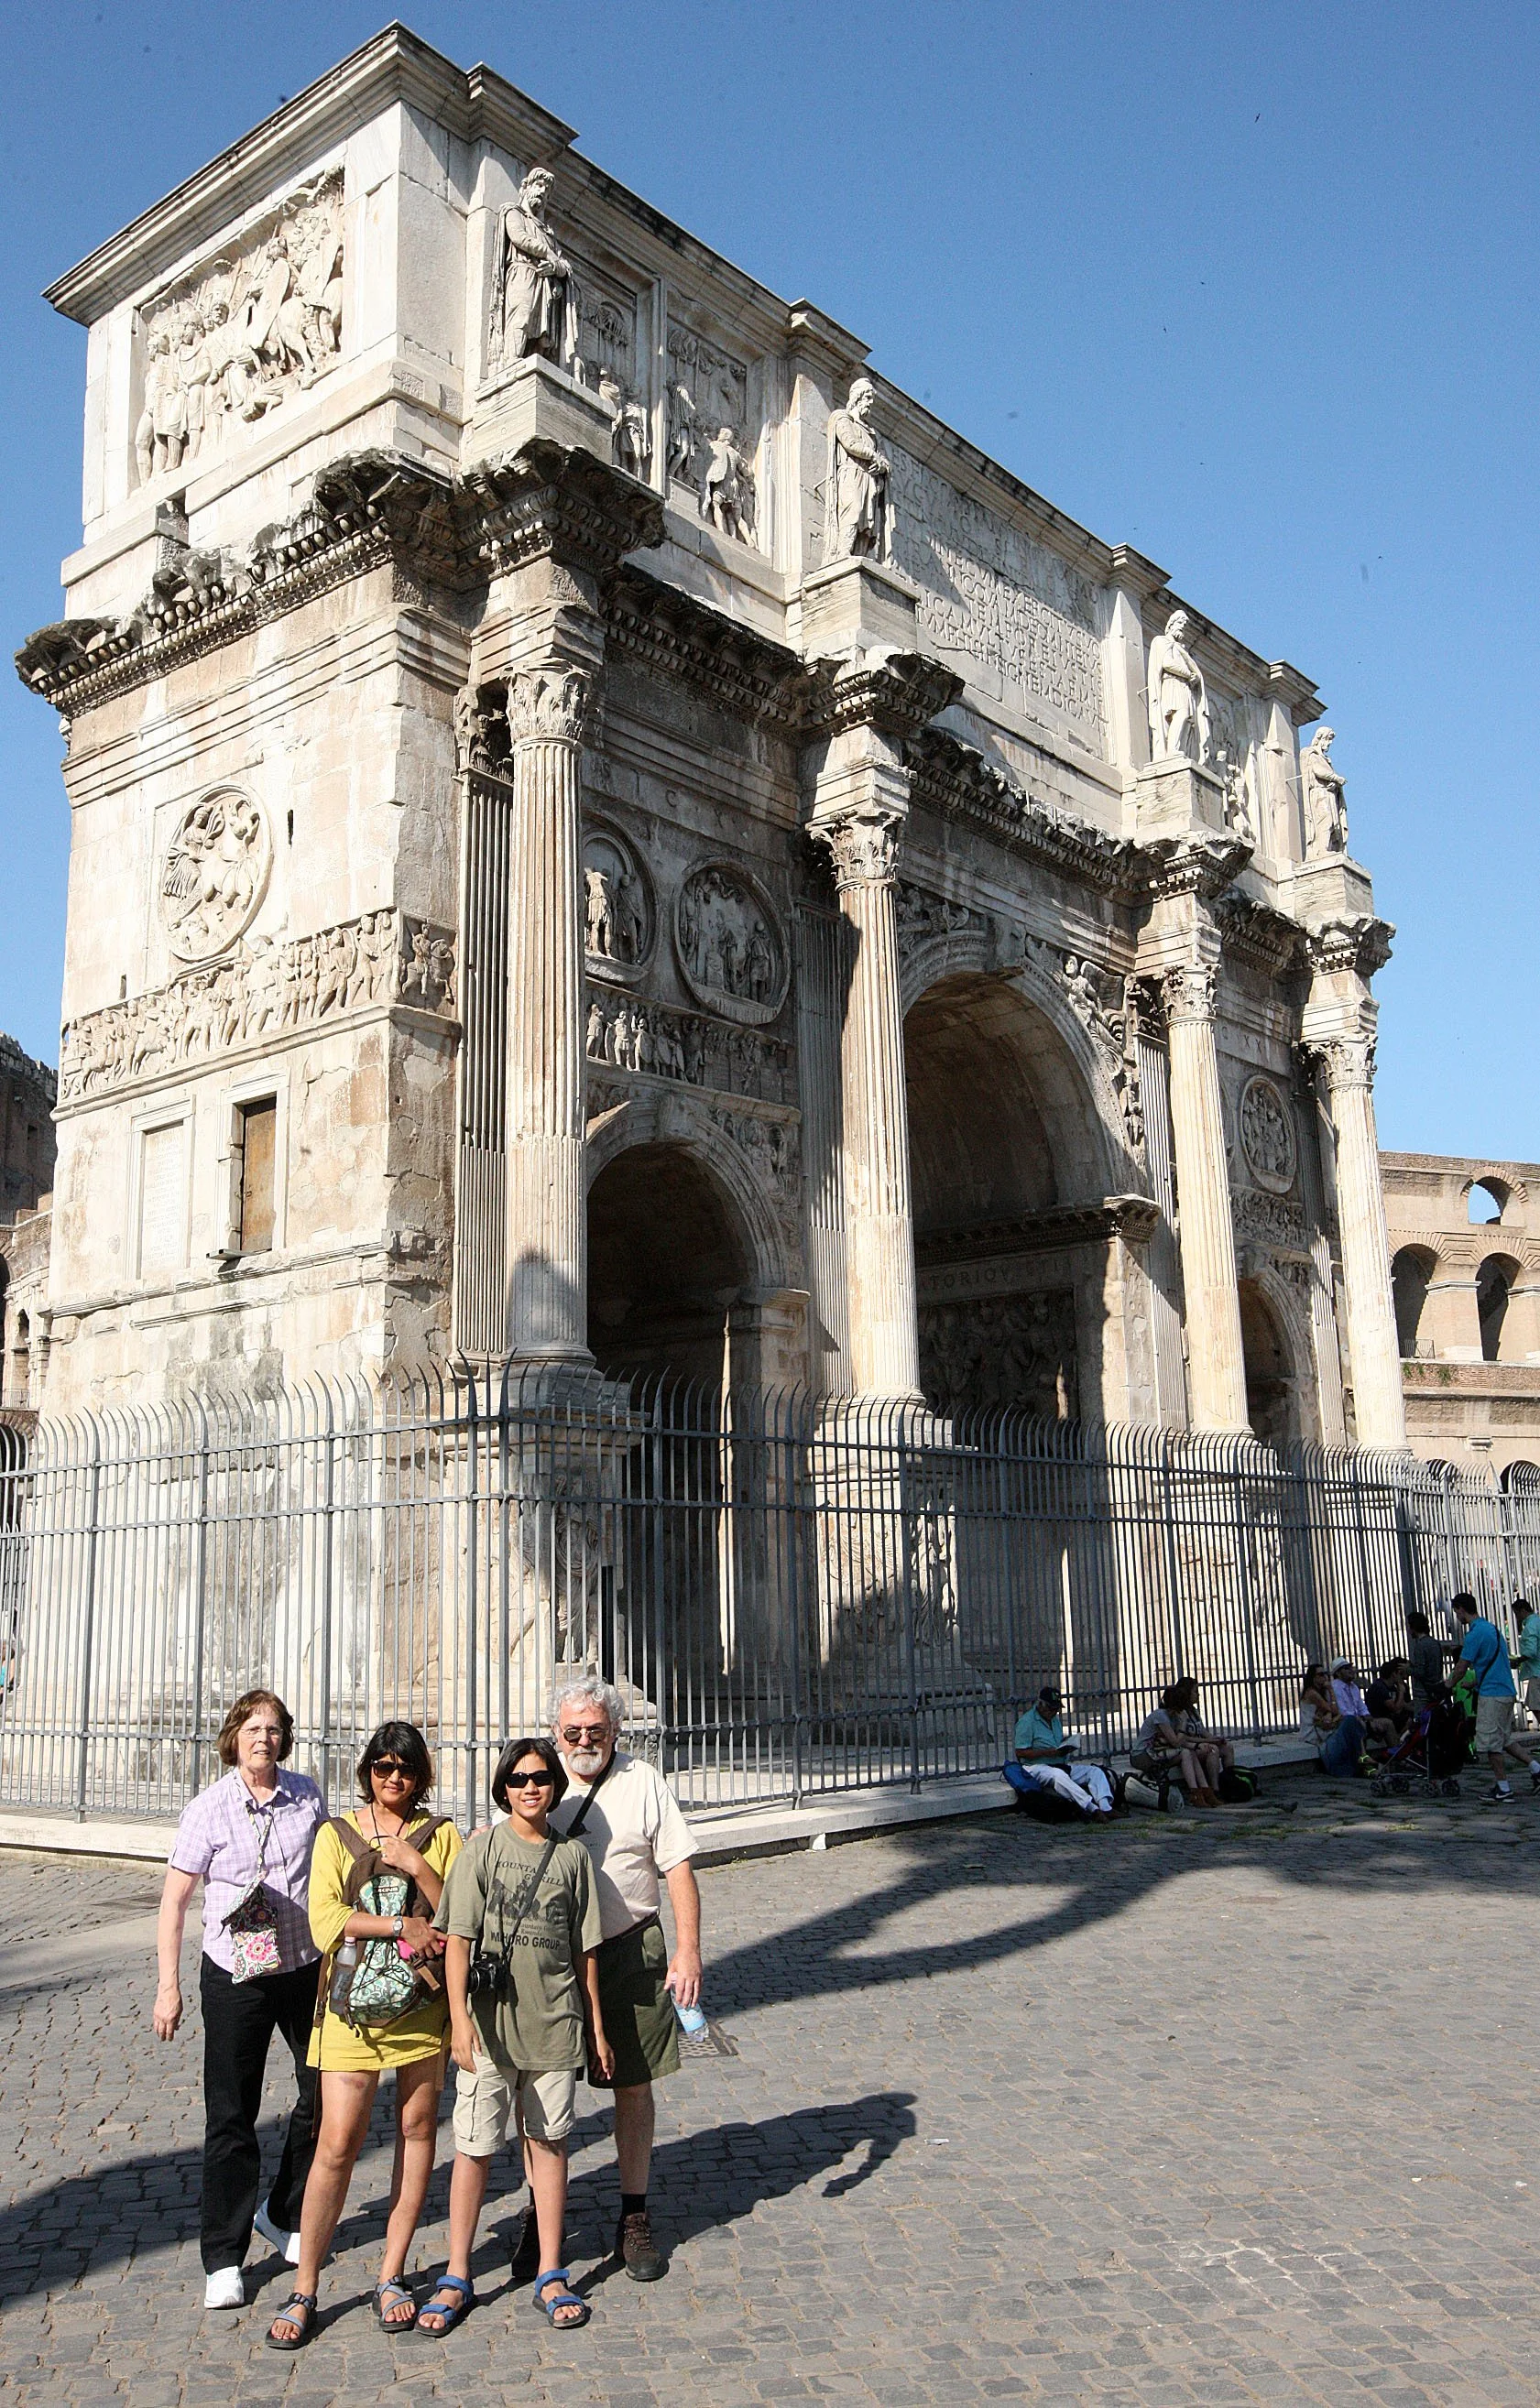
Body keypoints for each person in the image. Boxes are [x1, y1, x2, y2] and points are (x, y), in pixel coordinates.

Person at [266, 1724, 460, 2349]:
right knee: (337, 2142)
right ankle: (306, 2283)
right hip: (348, 2012)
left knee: (416, 2131)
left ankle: (392, 2273)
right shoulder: (335, 1834)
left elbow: (459, 1914)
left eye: (404, 1767)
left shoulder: (442, 1835)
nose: (393, 1777)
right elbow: (325, 1920)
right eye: (382, 1766)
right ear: (366, 1771)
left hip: (421, 2008)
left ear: (421, 1774)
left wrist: (415, 1865)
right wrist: (401, 1921)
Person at [421, 1738, 612, 2336]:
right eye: (519, 1777)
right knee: (474, 2148)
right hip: (488, 2029)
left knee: (549, 2144)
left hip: (555, 2026)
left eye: (540, 1777)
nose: (530, 1787)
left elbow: (585, 1951)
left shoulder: (573, 1859)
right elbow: (455, 1939)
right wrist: (457, 2020)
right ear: (502, 1786)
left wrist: (597, 2028)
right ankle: (456, 2272)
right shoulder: (481, 1851)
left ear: (554, 1785)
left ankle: (551, 2271)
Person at [153, 1690, 327, 2311]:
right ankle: (223, 2257)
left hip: (302, 1965)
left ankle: (282, 2212)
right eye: (255, 1728)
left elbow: (329, 1871)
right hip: (235, 1974)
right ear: (235, 1737)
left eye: (275, 1729)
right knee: (232, 2113)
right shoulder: (208, 1808)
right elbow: (175, 1900)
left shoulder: (307, 1793)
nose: (265, 1738)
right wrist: (168, 1984)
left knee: (324, 2093)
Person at [544, 1676, 701, 2282]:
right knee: (544, 2091)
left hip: (631, 1947)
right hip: (554, 1959)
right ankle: (544, 2213)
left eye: (597, 1731)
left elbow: (678, 1869)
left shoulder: (642, 1781)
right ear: (556, 1733)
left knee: (633, 2088)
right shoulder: (538, 1779)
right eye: (573, 1731)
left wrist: (686, 1953)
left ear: (615, 1731)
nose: (585, 1740)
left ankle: (634, 2213)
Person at [1449, 1593, 1540, 1803]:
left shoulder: (1474, 1634)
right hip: (1505, 1690)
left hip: (1493, 1693)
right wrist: (1475, 1682)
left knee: (1491, 1744)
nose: (1457, 1616)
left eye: (1456, 1612)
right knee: (1504, 1739)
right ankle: (1536, 1768)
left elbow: (1462, 1666)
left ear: (1462, 1609)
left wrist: (1448, 1684)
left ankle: (1503, 1787)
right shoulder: (1492, 1629)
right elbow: (1494, 1662)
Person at [1011, 1684, 1114, 1815]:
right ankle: (1092, 1808)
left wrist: (1066, 1745)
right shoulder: (1027, 1722)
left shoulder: (1054, 1720)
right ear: (1040, 1705)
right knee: (1058, 1775)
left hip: (1058, 1763)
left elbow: (1056, 1741)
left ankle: (1106, 1807)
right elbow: (1020, 1752)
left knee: (1094, 1772)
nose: (1054, 1712)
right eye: (1051, 1708)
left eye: (1056, 1709)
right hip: (1035, 1767)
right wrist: (1048, 1752)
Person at [1131, 1685, 1216, 1806]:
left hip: (1160, 1753)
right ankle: (1195, 1793)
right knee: (1185, 1753)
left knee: (1190, 1753)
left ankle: (1205, 1790)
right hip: (1143, 1756)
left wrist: (1197, 1746)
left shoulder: (1175, 1716)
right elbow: (1175, 1742)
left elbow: (1180, 1742)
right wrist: (1183, 1723)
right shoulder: (1161, 1716)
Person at [1168, 1677, 1238, 1795]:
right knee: (1212, 1750)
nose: (1198, 1694)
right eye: (1195, 1691)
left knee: (1227, 1747)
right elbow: (1183, 1738)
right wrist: (1208, 1741)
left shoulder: (1194, 1711)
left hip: (1200, 1743)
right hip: (1189, 1747)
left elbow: (1202, 1730)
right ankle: (1215, 1789)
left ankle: (1230, 1782)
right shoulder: (1178, 1713)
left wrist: (1215, 1738)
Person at [1300, 1663, 1365, 1777]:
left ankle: (1362, 1759)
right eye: (1320, 1674)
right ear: (1313, 1678)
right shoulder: (1312, 1693)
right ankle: (1363, 1758)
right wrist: (1331, 1690)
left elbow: (1334, 1711)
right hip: (1315, 1733)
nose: (1324, 1677)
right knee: (1349, 1721)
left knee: (1352, 1723)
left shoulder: (1323, 1691)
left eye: (1325, 1674)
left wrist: (1330, 1714)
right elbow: (1333, 1710)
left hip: (1326, 1729)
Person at [1406, 1609, 1451, 1708]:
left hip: (1423, 1692)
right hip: (1436, 1688)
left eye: (1409, 1627)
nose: (1409, 1630)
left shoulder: (1420, 1646)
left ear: (1414, 1627)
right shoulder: (1435, 1643)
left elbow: (1420, 1672)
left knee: (1422, 1720)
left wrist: (1408, 1669)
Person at [1365, 1659, 1414, 1740]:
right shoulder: (1380, 1687)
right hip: (1380, 1717)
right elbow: (1396, 1710)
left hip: (1389, 1715)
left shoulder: (1392, 1686)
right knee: (1408, 1720)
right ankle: (1398, 1744)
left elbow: (1404, 1705)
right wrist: (1401, 1691)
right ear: (1395, 1674)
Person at [1512, 1599, 1540, 1724]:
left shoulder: (1530, 1627)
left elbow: (1531, 1651)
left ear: (1522, 1611)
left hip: (1537, 1672)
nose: (1516, 1618)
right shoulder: (1537, 1621)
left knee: (1534, 1704)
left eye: (1517, 1614)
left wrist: (1518, 1660)